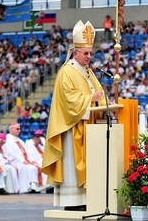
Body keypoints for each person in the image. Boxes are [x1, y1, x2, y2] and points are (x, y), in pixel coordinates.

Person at [42, 20, 106, 211]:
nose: (89, 56)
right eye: (85, 53)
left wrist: (104, 104)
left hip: (88, 127)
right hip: (71, 127)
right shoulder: (67, 72)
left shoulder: (88, 72)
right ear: (75, 52)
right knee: (71, 164)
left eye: (90, 53)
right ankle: (72, 201)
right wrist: (90, 99)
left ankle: (86, 199)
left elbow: (100, 93)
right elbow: (69, 99)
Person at [5, 123, 48, 193]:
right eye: (17, 129)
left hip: (25, 162)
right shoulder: (7, 140)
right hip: (15, 162)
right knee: (31, 168)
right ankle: (31, 187)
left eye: (20, 129)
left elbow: (27, 153)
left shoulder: (20, 141)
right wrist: (23, 161)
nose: (20, 130)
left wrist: (31, 161)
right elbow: (11, 154)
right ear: (11, 129)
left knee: (35, 166)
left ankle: (35, 187)